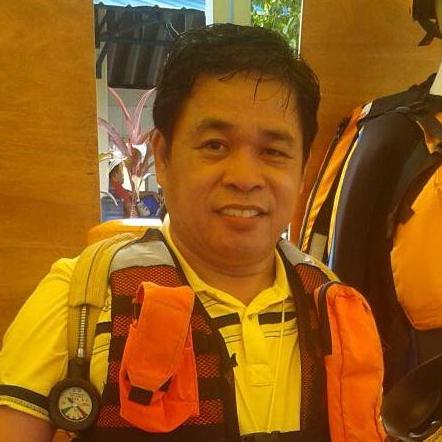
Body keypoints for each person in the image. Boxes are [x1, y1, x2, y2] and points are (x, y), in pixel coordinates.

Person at [0, 24, 384, 442]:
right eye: (215, 145)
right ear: (163, 156)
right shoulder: (78, 298)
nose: (244, 177)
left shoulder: (332, 307)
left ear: (302, 169)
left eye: (273, 151)